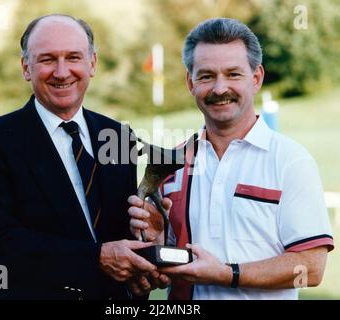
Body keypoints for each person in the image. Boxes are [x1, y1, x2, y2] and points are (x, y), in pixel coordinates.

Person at [128, 17, 334, 300]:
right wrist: (158, 242)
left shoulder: (290, 161)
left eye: (233, 74)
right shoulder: (171, 162)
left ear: (257, 78)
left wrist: (227, 273)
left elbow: (310, 268)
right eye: (206, 76)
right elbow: (164, 271)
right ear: (191, 82)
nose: (219, 88)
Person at [0, 14, 161, 300]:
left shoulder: (118, 136)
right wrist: (96, 258)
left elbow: (117, 234)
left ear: (91, 64)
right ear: (26, 68)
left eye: (73, 57)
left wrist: (147, 245)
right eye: (47, 59)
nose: (61, 71)